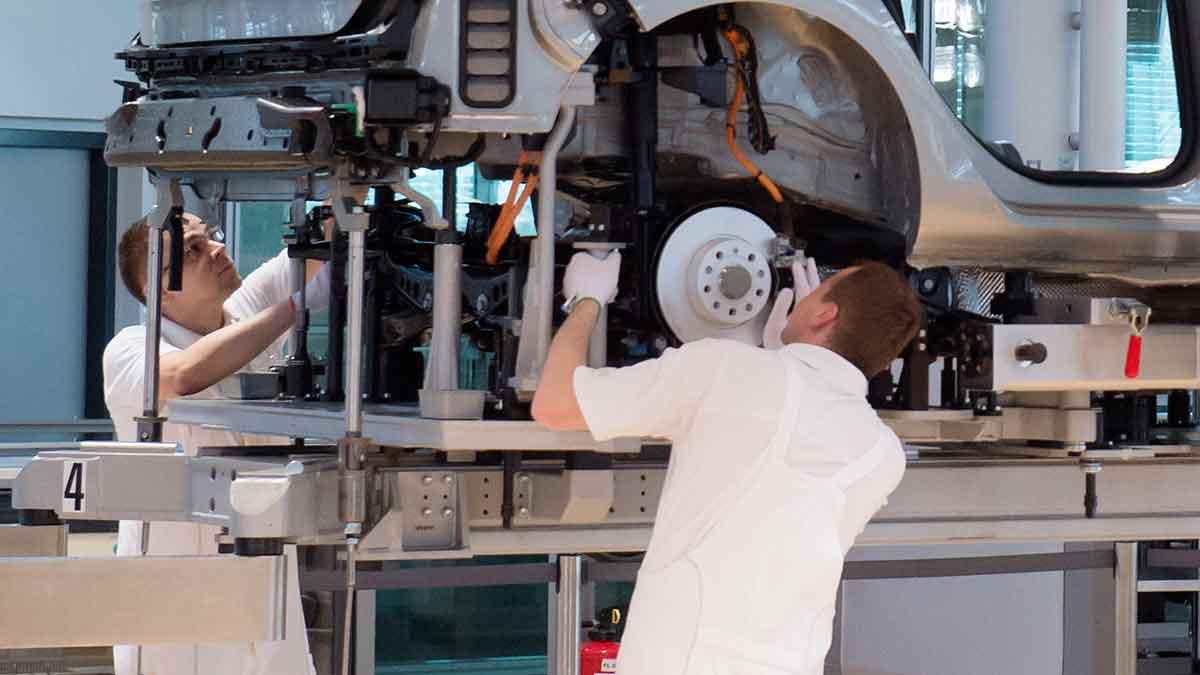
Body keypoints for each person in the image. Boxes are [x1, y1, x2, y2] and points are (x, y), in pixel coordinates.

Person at [532, 251, 921, 675]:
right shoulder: (883, 456)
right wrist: (788, 351)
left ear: (826, 314)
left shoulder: (725, 369)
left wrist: (586, 300)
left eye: (819, 293)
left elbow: (555, 403)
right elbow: (783, 496)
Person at [104, 211, 328, 675]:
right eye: (193, 250)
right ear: (155, 288)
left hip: (265, 585)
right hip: (175, 597)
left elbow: (320, 243)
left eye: (212, 238)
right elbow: (183, 375)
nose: (218, 251)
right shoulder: (132, 348)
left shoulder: (244, 315)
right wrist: (294, 309)